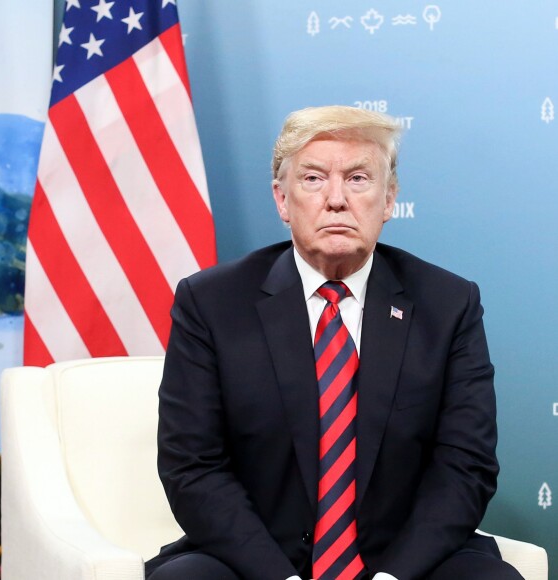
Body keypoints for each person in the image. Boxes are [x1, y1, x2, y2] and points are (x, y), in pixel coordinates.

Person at [146, 106, 522, 580]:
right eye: (313, 179)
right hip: (255, 559)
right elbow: (192, 466)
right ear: (282, 201)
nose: (337, 199)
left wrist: (392, 578)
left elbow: (465, 466)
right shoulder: (212, 303)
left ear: (388, 200)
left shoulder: (448, 304)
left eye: (359, 178)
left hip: (403, 561)